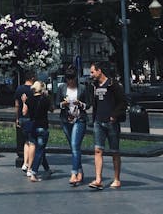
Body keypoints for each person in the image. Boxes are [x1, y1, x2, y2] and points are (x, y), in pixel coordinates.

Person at [89, 62, 127, 190]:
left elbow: (123, 102)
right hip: (98, 121)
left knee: (114, 151)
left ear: (99, 71)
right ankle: (98, 179)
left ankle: (117, 179)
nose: (91, 74)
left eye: (92, 72)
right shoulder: (94, 85)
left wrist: (114, 115)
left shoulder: (112, 84)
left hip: (111, 122)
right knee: (98, 150)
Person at [54, 69, 90, 186]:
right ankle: (79, 170)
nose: (70, 81)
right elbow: (56, 103)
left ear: (76, 78)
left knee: (75, 145)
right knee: (73, 147)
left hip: (79, 119)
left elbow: (88, 105)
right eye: (68, 79)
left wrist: (80, 104)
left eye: (72, 78)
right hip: (66, 119)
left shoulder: (83, 88)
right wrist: (62, 104)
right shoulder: (62, 88)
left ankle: (74, 173)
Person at [21, 81, 50, 182]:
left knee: (37, 147)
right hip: (43, 126)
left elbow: (24, 112)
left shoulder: (30, 100)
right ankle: (34, 172)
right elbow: (52, 109)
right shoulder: (45, 100)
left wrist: (24, 102)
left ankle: (47, 169)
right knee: (40, 150)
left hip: (33, 127)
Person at [14, 72, 35, 174]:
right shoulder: (33, 90)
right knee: (32, 142)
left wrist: (17, 118)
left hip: (22, 118)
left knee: (26, 141)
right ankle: (29, 166)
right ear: (32, 78)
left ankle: (25, 163)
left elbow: (17, 104)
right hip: (31, 118)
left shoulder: (19, 89)